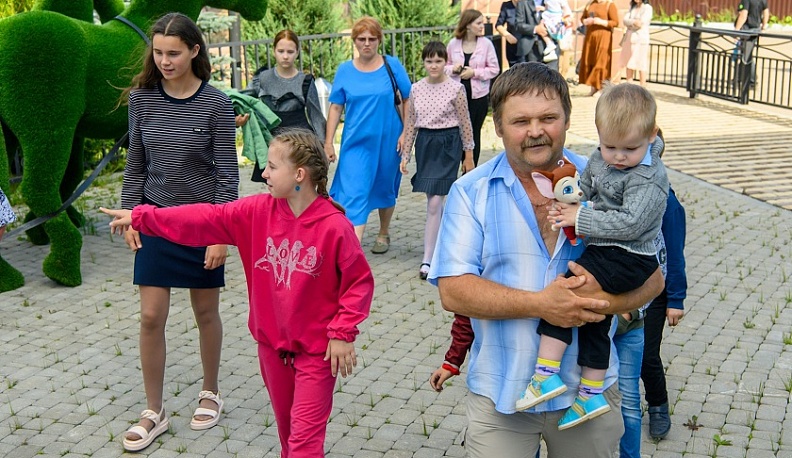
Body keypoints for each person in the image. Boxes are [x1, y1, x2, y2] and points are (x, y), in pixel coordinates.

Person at [429, 62, 664, 458]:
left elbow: (654, 279)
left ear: (568, 120)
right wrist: (543, 305)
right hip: (500, 395)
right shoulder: (470, 192)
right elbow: (454, 292)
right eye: (520, 120)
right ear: (498, 126)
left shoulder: (613, 179)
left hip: (587, 395)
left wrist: (597, 305)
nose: (536, 130)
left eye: (548, 117)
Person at [102, 129, 374, 457]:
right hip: (271, 349)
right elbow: (202, 217)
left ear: (299, 174)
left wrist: (343, 332)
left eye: (272, 167)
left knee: (304, 444)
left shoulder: (334, 227)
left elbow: (359, 282)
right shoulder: (257, 211)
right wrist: (142, 216)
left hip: (317, 353)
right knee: (289, 436)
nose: (264, 174)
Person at [116, 12, 240, 452]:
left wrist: (221, 233)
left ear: (194, 51)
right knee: (151, 316)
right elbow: (136, 165)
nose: (164, 61)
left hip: (203, 224)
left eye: (173, 53)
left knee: (205, 313)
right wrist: (132, 213)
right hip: (153, 220)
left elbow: (227, 175)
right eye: (158, 52)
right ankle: (155, 411)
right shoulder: (141, 101)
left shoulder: (216, 104)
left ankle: (210, 390)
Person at [515, 83, 668, 431]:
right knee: (595, 319)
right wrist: (572, 193)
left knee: (567, 292)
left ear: (650, 135)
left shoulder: (649, 178)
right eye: (609, 146)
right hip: (608, 249)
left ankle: (545, 376)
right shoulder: (605, 155)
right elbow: (590, 182)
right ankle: (591, 393)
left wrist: (579, 217)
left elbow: (631, 223)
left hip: (631, 257)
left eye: (629, 149)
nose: (617, 157)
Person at [324, 16, 411, 251]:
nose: (366, 43)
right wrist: (328, 142)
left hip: (388, 142)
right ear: (354, 41)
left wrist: (406, 132)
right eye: (361, 39)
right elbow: (335, 107)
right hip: (356, 144)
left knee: (385, 187)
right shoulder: (345, 71)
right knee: (355, 192)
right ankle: (352, 251)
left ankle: (384, 231)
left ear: (379, 41)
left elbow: (406, 99)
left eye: (372, 39)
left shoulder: (392, 66)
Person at [400, 41, 475, 280]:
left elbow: (465, 123)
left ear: (446, 62)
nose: (433, 65)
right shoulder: (416, 88)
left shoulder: (456, 89)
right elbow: (411, 122)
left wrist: (469, 155)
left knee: (434, 203)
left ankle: (428, 258)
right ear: (423, 62)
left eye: (438, 61)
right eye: (429, 61)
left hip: (448, 145)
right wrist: (406, 154)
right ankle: (440, 248)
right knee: (433, 202)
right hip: (426, 144)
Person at [236, 29, 327, 182]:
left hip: (299, 141)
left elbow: (316, 116)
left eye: (290, 51)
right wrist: (236, 117)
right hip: (272, 140)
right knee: (274, 186)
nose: (285, 56)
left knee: (299, 185)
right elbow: (242, 100)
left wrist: (323, 147)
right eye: (281, 51)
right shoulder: (262, 78)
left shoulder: (305, 81)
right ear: (274, 51)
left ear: (297, 52)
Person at [643, 187, 686, 441]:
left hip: (655, 291)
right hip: (618, 285)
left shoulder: (668, 201)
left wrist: (676, 298)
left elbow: (675, 252)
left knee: (647, 354)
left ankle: (658, 405)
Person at [446, 9, 499, 167]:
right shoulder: (453, 44)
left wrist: (474, 72)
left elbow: (494, 69)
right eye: (479, 23)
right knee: (457, 133)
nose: (482, 26)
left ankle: (470, 170)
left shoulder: (486, 44)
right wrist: (453, 69)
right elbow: (444, 66)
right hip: (456, 96)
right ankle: (455, 167)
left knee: (474, 133)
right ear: (468, 25)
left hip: (478, 97)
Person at [577, 0, 618, 96]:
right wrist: (585, 21)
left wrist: (601, 22)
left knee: (601, 61)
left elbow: (615, 22)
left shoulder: (609, 4)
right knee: (591, 60)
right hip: (591, 36)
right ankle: (593, 87)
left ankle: (601, 88)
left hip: (604, 36)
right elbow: (583, 18)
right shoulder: (590, 4)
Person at [514, 0, 557, 71]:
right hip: (530, 48)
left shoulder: (552, 2)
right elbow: (518, 25)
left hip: (550, 49)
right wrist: (536, 29)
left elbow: (561, 18)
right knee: (530, 79)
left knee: (552, 79)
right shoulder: (522, 3)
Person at [618, 0, 653, 87]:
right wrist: (633, 22)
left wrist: (631, 22)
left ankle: (642, 86)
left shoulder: (647, 8)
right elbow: (625, 20)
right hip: (630, 38)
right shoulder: (632, 7)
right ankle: (629, 84)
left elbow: (641, 23)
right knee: (629, 61)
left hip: (640, 39)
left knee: (641, 62)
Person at [735, 0, 769, 87]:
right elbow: (766, 12)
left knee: (746, 56)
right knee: (747, 54)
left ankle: (751, 80)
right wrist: (763, 27)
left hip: (747, 30)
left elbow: (743, 15)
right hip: (756, 30)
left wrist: (736, 31)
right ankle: (740, 77)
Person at [495, 0, 521, 67]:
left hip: (527, 47)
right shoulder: (507, 6)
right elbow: (498, 25)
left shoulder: (530, 4)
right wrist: (507, 35)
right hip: (512, 46)